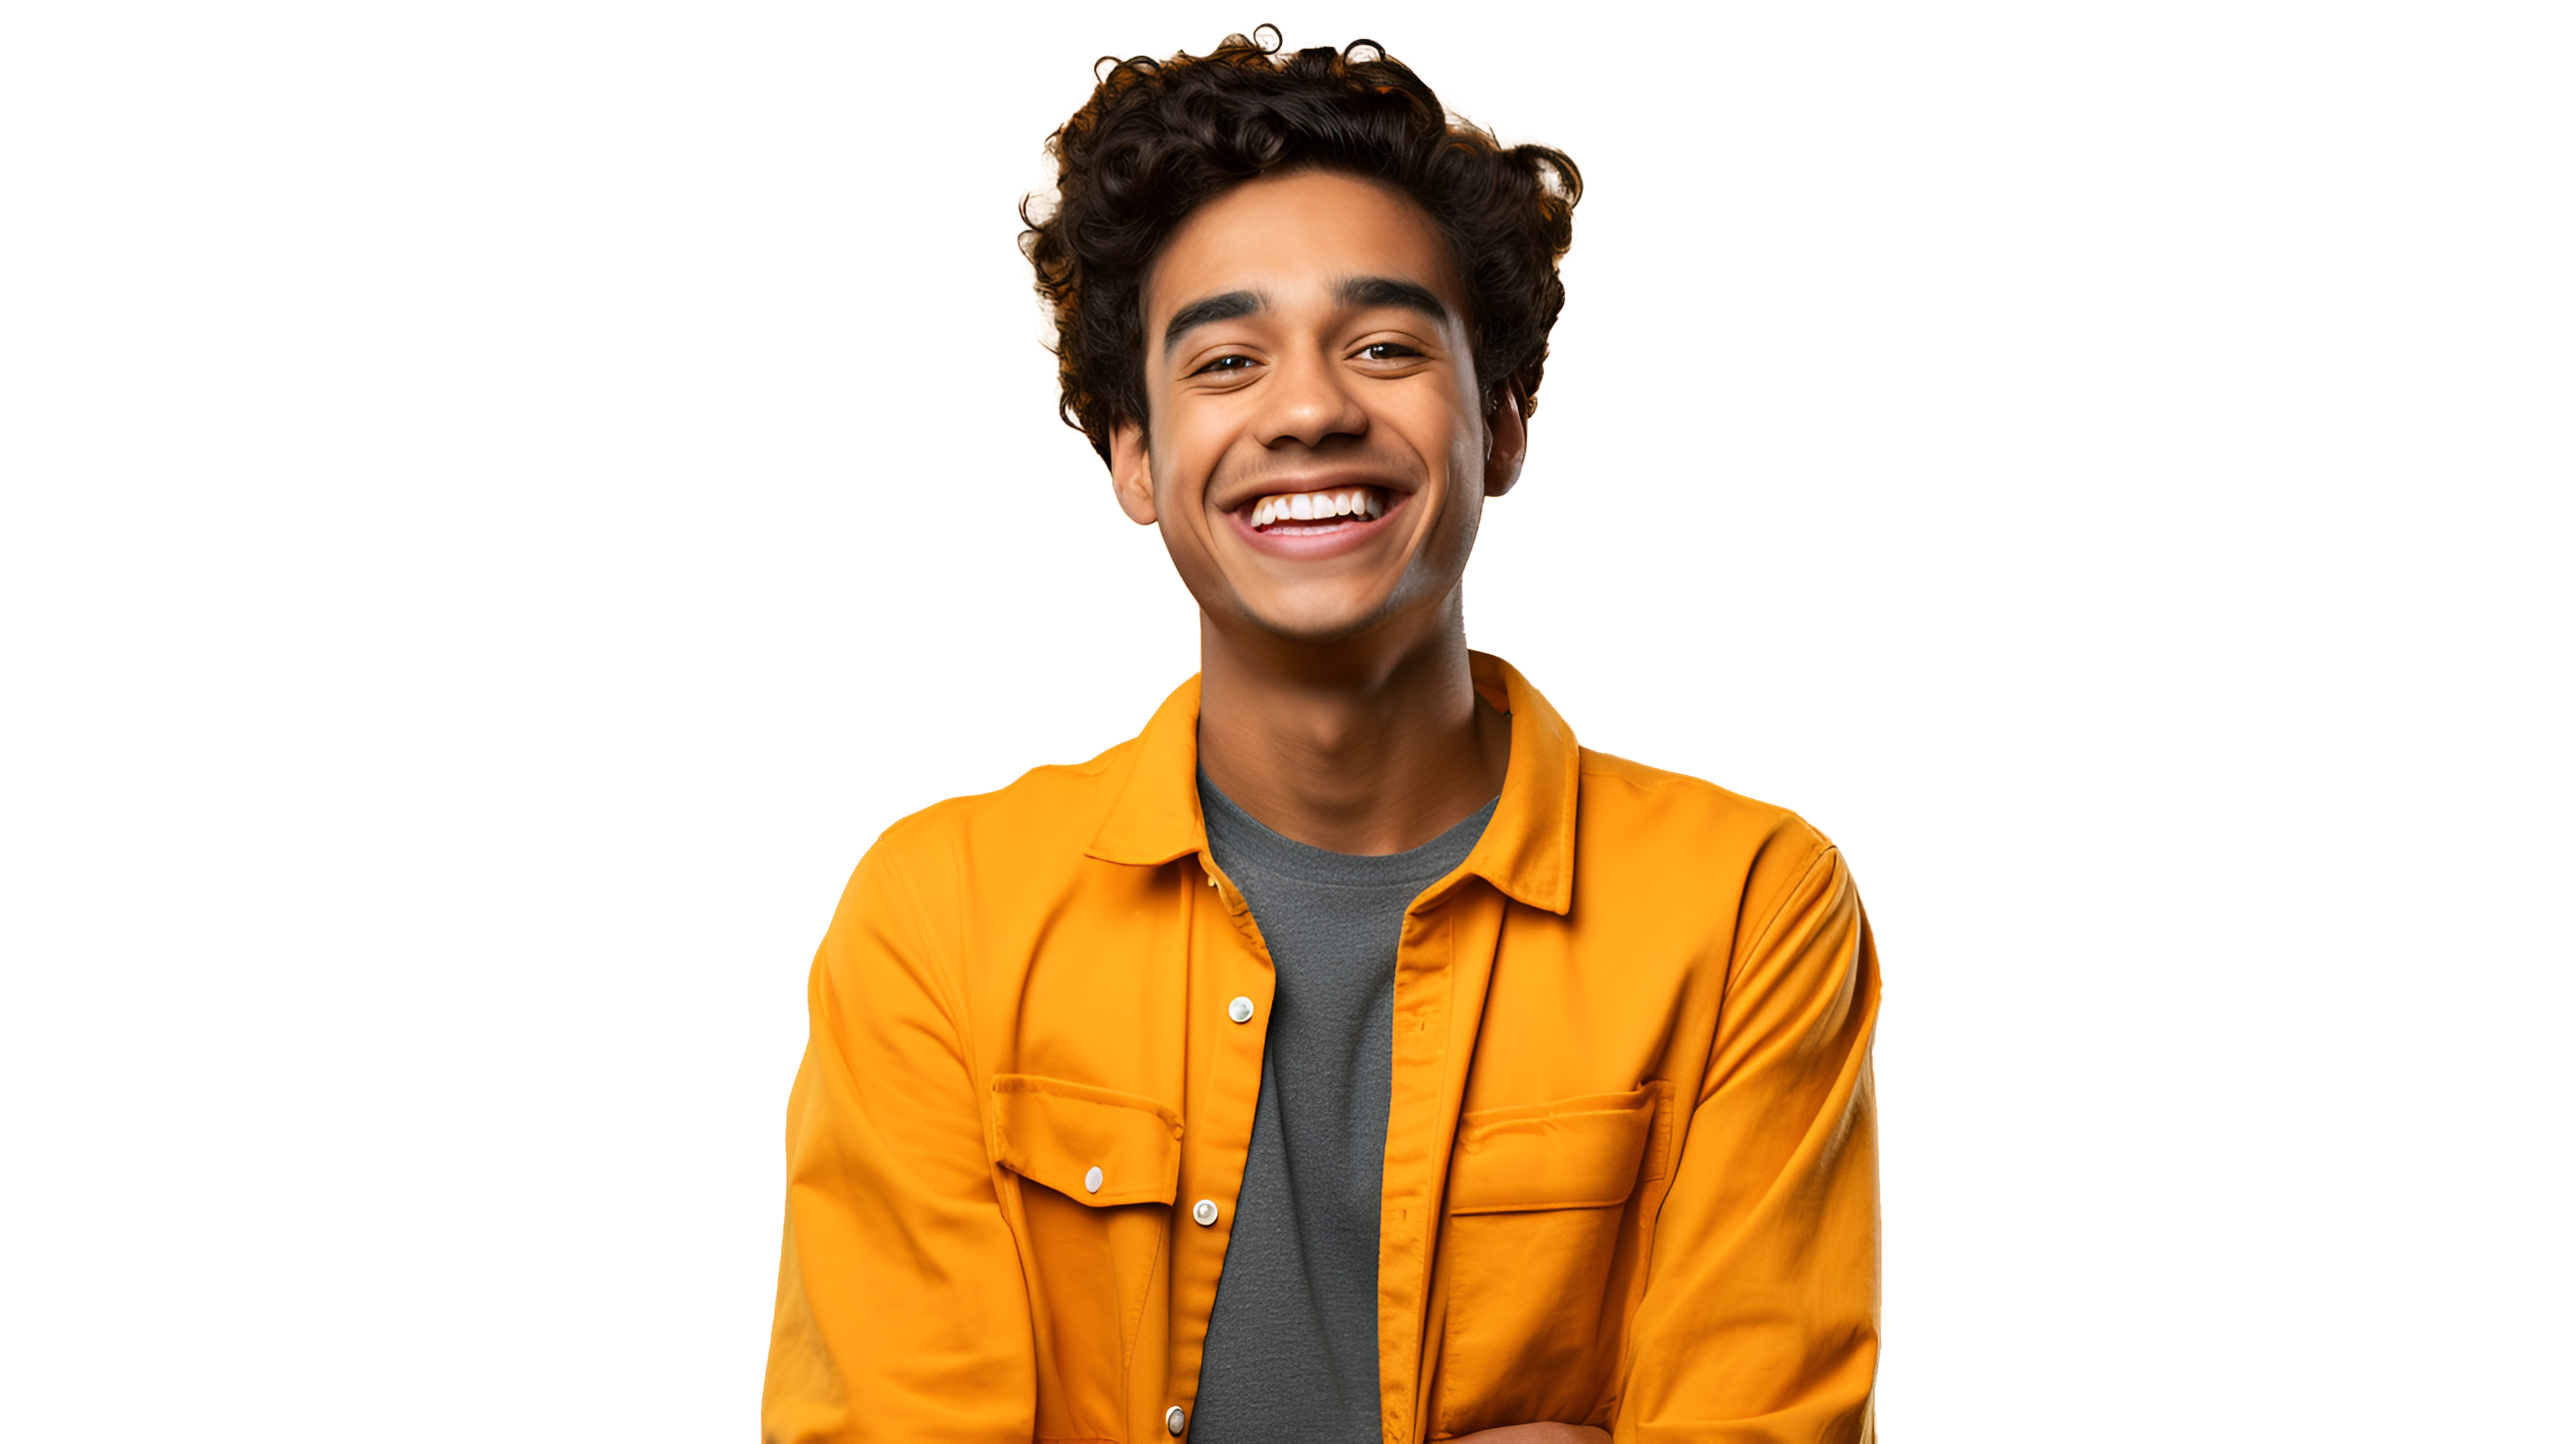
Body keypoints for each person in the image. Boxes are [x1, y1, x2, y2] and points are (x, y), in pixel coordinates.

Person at [762, 28, 1882, 1444]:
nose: (1308, 409)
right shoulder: (938, 925)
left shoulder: (1751, 916)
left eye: (1385, 345)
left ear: (1505, 420)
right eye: (1227, 360)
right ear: (1136, 453)